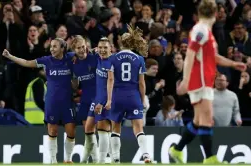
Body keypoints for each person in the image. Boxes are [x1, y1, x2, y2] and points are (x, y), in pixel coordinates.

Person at [169, 0, 247, 164]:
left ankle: (176, 150)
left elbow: (212, 57)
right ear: (217, 13)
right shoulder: (202, 30)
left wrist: (233, 63)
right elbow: (190, 54)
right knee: (207, 120)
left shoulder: (205, 31)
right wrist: (186, 80)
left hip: (204, 79)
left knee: (198, 121)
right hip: (200, 80)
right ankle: (210, 158)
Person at [2, 38, 76, 164]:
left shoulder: (70, 58)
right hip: (52, 102)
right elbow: (26, 62)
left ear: (62, 48)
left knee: (71, 132)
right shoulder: (46, 61)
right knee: (52, 131)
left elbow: (83, 53)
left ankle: (68, 159)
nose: (52, 49)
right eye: (51, 46)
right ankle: (53, 160)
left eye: (55, 46)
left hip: (67, 102)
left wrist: (95, 50)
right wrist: (10, 56)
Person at [105, 25, 152, 163]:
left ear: (120, 42)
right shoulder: (139, 59)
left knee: (115, 128)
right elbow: (142, 83)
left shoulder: (112, 58)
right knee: (138, 127)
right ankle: (146, 155)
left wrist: (109, 100)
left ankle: (115, 157)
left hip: (117, 95)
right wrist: (142, 100)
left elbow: (110, 79)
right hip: (133, 96)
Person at [70, 35, 98, 163]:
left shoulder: (95, 57)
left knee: (90, 129)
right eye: (78, 48)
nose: (82, 50)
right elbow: (75, 85)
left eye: (83, 47)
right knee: (88, 132)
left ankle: (97, 160)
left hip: (97, 96)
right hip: (85, 98)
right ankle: (88, 160)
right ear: (74, 50)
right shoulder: (74, 64)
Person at [92, 37, 113, 163]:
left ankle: (101, 161)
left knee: (102, 128)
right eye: (100, 47)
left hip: (108, 100)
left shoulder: (111, 62)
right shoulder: (99, 58)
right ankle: (113, 159)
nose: (103, 50)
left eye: (105, 47)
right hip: (100, 98)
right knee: (107, 131)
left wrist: (103, 102)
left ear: (111, 48)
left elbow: (112, 84)